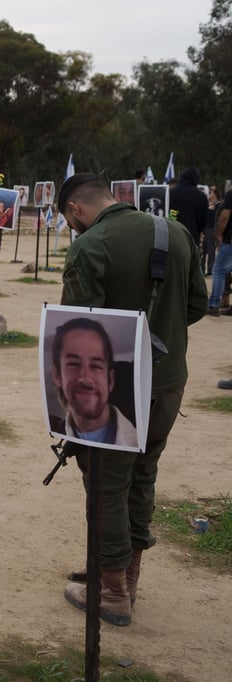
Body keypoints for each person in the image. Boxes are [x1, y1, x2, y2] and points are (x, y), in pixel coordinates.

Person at [56, 173, 207, 626]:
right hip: (167, 385)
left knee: (106, 485)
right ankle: (126, 574)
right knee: (143, 475)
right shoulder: (174, 232)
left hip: (114, 389)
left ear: (76, 209)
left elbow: (80, 325)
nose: (72, 229)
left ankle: (114, 592)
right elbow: (197, 305)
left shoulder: (90, 245)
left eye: (69, 221)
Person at [50, 318, 137, 446]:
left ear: (110, 380)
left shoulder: (135, 441)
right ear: (57, 375)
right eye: (74, 364)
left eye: (96, 366)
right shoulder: (58, 427)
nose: (85, 378)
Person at [208, 183, 232, 317]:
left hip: (230, 240)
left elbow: (224, 216)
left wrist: (219, 234)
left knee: (219, 271)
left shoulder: (231, 194)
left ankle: (214, 304)